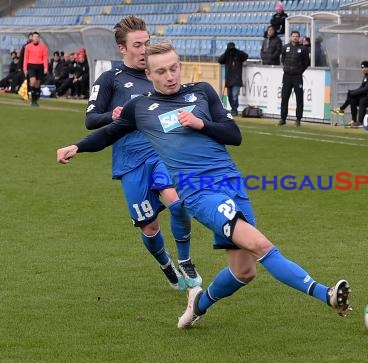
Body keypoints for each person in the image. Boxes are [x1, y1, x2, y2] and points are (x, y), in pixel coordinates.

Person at [56, 41, 352, 329]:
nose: (169, 76)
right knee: (261, 245)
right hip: (199, 192)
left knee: (244, 271)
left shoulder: (202, 92)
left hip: (232, 184)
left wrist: (201, 125)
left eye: (173, 68)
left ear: (180, 66)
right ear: (149, 74)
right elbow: (108, 134)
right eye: (161, 72)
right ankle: (325, 293)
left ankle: (197, 305)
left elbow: (234, 135)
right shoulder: (141, 108)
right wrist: (77, 147)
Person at [84, 16, 201, 291]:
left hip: (161, 154)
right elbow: (91, 119)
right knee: (149, 228)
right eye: (138, 45)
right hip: (130, 163)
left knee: (178, 202)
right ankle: (165, 263)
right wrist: (111, 115)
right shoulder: (110, 79)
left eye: (147, 43)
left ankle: (185, 260)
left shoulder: (159, 74)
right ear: (122, 48)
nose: (144, 50)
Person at [278, 30, 310, 127]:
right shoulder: (285, 47)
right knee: (284, 98)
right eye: (293, 36)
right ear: (290, 37)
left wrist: (299, 71)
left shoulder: (303, 49)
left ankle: (298, 119)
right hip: (287, 76)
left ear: (299, 38)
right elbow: (283, 59)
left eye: (297, 36)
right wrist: (286, 68)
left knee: (299, 98)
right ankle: (283, 118)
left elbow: (306, 63)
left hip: (297, 77)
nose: (295, 38)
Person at [331, 60, 368, 125]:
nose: (363, 69)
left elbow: (366, 89)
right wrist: (353, 91)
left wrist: (354, 92)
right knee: (352, 100)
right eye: (362, 68)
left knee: (358, 98)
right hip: (364, 95)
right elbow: (361, 87)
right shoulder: (366, 76)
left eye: (365, 67)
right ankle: (354, 120)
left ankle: (342, 109)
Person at [217, 42, 248, 117]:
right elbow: (220, 60)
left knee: (235, 95)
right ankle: (233, 109)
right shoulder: (227, 55)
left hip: (237, 79)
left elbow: (246, 56)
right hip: (229, 79)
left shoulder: (239, 55)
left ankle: (234, 110)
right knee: (230, 96)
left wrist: (236, 51)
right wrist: (226, 52)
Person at [23, 31, 48, 107]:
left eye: (37, 37)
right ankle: (33, 100)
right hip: (31, 66)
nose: (36, 38)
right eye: (34, 37)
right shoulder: (28, 47)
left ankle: (36, 98)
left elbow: (45, 58)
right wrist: (25, 69)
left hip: (40, 66)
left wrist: (45, 67)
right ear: (32, 38)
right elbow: (25, 58)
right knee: (33, 81)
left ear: (39, 38)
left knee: (37, 84)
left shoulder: (43, 47)